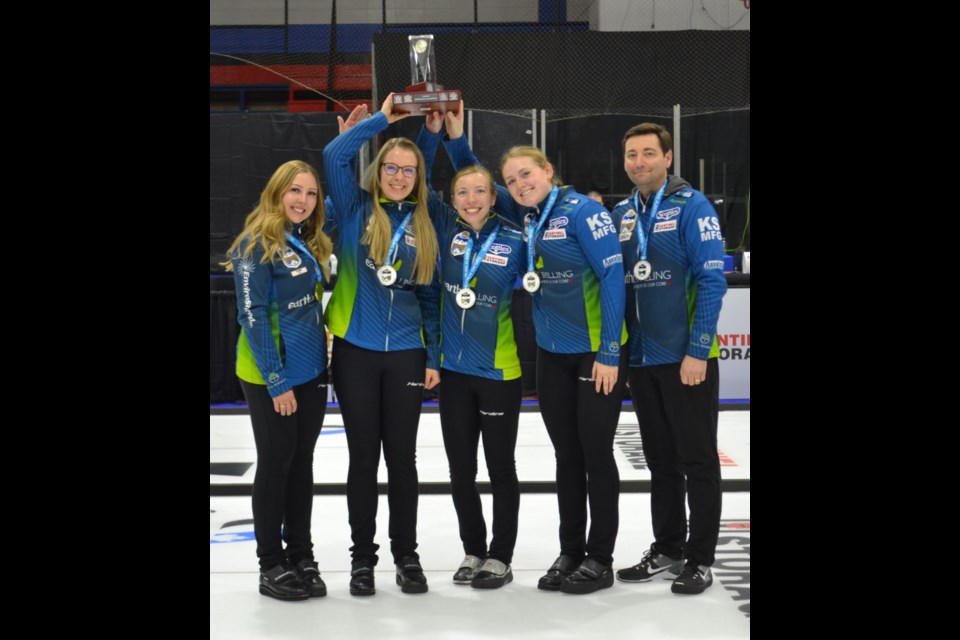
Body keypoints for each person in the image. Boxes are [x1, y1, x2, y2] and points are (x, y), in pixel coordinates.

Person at [441, 116, 629, 595]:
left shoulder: (585, 213)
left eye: (527, 174)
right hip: (552, 354)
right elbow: (473, 189)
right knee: (567, 456)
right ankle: (570, 550)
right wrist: (457, 137)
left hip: (594, 354)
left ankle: (600, 556)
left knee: (595, 454)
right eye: (512, 180)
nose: (519, 185)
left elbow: (611, 278)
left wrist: (609, 351)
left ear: (548, 170)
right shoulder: (525, 214)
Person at [322, 95, 442, 596]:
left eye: (407, 171)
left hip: (407, 356)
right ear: (378, 171)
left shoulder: (423, 221)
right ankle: (362, 559)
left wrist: (433, 355)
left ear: (416, 178)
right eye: (390, 168)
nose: (398, 176)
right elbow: (333, 157)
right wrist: (381, 120)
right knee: (363, 459)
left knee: (403, 459)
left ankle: (406, 556)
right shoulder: (353, 208)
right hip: (355, 351)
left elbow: (432, 298)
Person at [611, 122, 727, 595]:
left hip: (685, 358)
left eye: (648, 153)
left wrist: (698, 349)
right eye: (631, 155)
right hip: (640, 358)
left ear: (668, 157)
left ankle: (700, 558)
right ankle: (667, 548)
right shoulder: (621, 212)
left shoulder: (692, 206)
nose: (639, 162)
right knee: (660, 460)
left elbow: (713, 280)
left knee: (697, 459)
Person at [414, 109, 525, 590]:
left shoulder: (517, 232)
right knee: (461, 469)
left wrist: (462, 142)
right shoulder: (443, 228)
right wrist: (433, 134)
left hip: (499, 372)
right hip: (454, 373)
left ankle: (501, 556)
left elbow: (496, 185)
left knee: (501, 468)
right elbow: (414, 175)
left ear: (494, 196)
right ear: (451, 199)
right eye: (463, 191)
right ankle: (473, 550)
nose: (472, 198)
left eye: (481, 190)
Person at [224, 160, 333, 601]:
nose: (302, 200)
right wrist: (276, 380)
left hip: (309, 369)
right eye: (294, 191)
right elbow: (250, 316)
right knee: (276, 463)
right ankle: (270, 563)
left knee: (301, 463)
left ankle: (301, 554)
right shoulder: (256, 242)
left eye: (310, 193)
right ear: (275, 192)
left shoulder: (305, 238)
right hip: (273, 373)